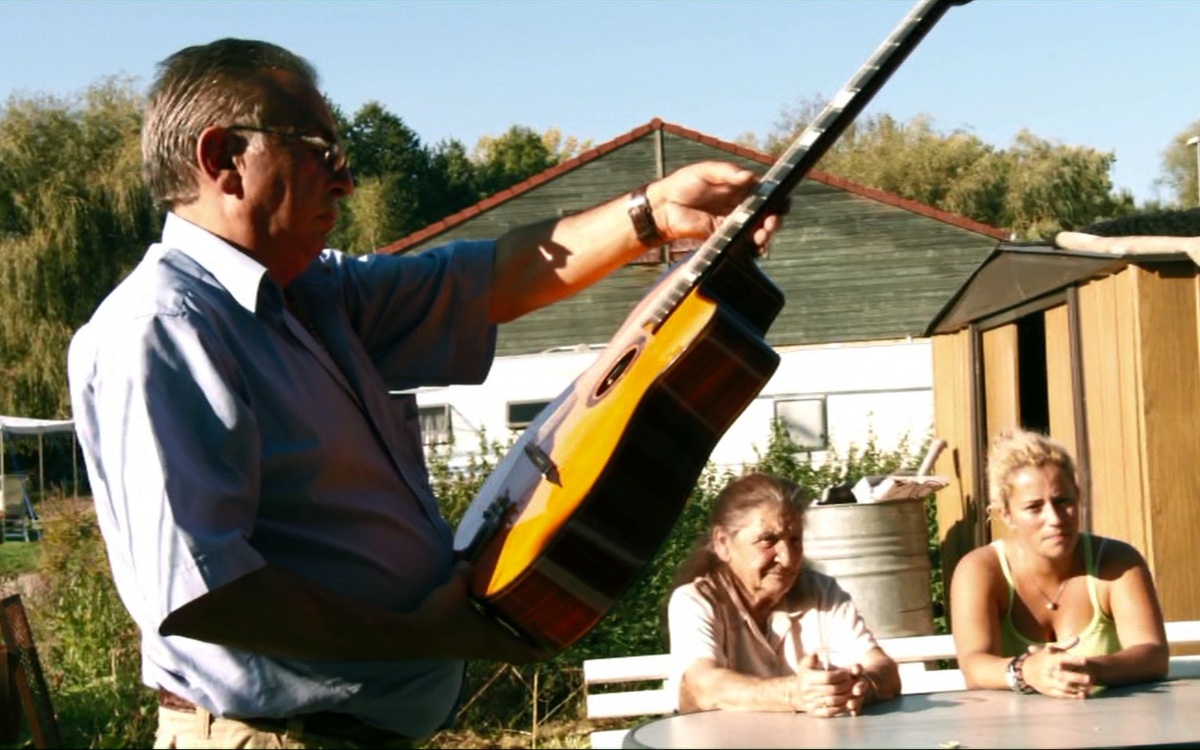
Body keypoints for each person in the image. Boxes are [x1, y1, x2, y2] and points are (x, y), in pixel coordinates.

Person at [66, 38, 783, 748]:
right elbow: (206, 594)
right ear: (223, 158)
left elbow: (486, 279)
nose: (345, 181)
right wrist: (423, 635)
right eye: (321, 151)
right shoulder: (162, 329)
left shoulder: (314, 295)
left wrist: (653, 212)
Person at [950, 429, 1168, 698]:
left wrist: (1083, 669)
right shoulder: (981, 570)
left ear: (1079, 497)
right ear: (1006, 514)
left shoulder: (1117, 562)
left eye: (1063, 501)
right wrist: (1027, 672)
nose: (1054, 518)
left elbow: (1153, 655)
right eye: (1034, 507)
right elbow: (974, 667)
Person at [666, 472, 900, 716]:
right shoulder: (696, 601)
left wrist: (863, 687)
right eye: (767, 540)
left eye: (795, 539)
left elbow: (884, 669)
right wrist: (793, 693)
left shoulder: (822, 593)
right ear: (723, 543)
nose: (787, 559)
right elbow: (703, 686)